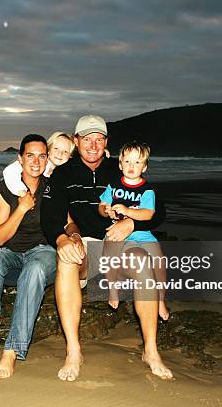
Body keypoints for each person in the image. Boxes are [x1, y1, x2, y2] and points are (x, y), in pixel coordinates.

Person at [41, 115, 173, 381]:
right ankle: (73, 351)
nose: (93, 145)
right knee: (66, 260)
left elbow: (157, 212)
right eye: (87, 139)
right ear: (76, 142)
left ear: (106, 143)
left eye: (99, 139)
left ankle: (151, 350)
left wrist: (131, 226)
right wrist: (61, 238)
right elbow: (51, 216)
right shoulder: (63, 174)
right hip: (88, 245)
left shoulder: (121, 168)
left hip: (122, 243)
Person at [0, 134, 57, 379]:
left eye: (42, 156)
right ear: (20, 159)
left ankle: (11, 350)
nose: (36, 161)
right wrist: (21, 207)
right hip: (11, 254)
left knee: (34, 271)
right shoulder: (5, 189)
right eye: (30, 155)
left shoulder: (52, 187)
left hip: (44, 254)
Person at [98, 141, 169, 321]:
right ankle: (112, 288)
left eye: (137, 162)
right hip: (118, 232)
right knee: (109, 249)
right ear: (120, 165)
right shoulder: (113, 186)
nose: (132, 166)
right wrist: (106, 210)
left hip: (143, 235)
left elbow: (148, 214)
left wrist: (128, 211)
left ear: (144, 167)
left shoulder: (147, 190)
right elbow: (102, 205)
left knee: (159, 260)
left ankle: (160, 298)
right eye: (128, 162)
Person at [0, 132, 75, 247]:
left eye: (65, 151)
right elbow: (8, 172)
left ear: (70, 156)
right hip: (3, 226)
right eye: (56, 148)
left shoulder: (58, 176)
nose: (60, 153)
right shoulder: (19, 171)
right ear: (49, 151)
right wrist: (22, 192)